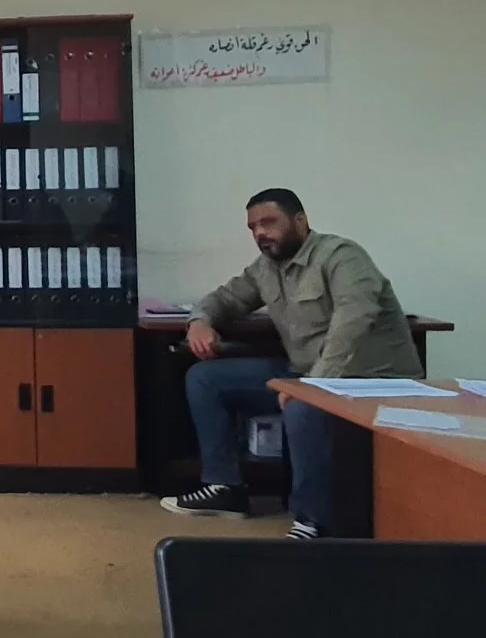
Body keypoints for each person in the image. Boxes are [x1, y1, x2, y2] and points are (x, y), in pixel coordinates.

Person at [160, 188, 420, 540]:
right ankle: (225, 488)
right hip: (304, 375)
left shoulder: (341, 256)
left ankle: (313, 521)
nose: (260, 233)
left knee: (303, 408)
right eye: (253, 228)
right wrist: (199, 321)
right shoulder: (267, 268)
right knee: (206, 379)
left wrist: (313, 386)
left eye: (268, 223)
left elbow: (353, 323)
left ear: (300, 220)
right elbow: (224, 298)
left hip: (369, 380)